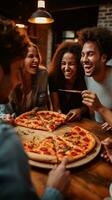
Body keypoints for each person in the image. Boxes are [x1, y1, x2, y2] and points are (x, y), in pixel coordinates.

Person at [0, 17, 70, 200]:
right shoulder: (7, 143)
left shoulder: (42, 74)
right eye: (17, 70)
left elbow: (44, 106)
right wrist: (54, 190)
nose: (17, 80)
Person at [0, 42, 49, 118]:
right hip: (13, 124)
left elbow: (44, 105)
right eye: (30, 56)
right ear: (20, 60)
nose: (36, 60)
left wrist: (39, 109)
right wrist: (5, 116)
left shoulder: (42, 74)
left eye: (37, 56)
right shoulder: (11, 77)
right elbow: (3, 111)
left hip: (34, 122)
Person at [48, 40, 89, 122]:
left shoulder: (86, 79)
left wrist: (80, 110)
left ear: (79, 65)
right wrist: (58, 114)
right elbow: (56, 107)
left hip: (84, 121)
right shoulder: (53, 78)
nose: (66, 68)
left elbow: (89, 107)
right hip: (62, 121)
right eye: (63, 63)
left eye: (71, 64)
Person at [77, 27, 112, 123]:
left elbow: (99, 108)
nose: (84, 60)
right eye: (83, 54)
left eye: (90, 54)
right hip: (99, 130)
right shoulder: (87, 77)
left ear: (103, 57)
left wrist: (100, 108)